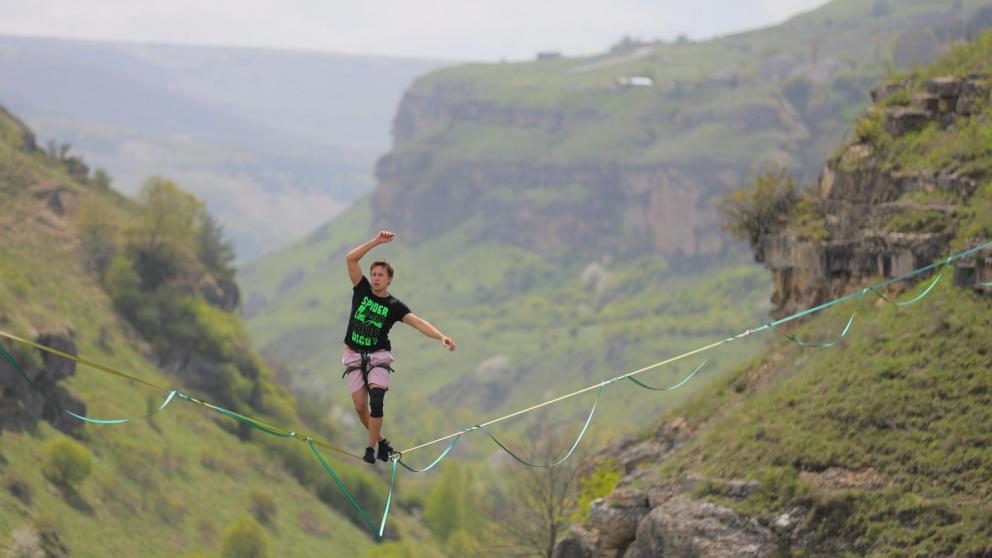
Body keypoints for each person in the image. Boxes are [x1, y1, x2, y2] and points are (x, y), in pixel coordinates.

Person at [343, 230, 456, 464]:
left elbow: (419, 323)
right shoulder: (361, 289)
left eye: (380, 275)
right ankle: (383, 443)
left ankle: (370, 449)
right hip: (353, 355)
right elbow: (351, 259)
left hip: (379, 357)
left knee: (376, 400)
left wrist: (441, 337)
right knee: (360, 408)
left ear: (389, 280)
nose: (375, 278)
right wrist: (375, 242)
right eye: (373, 274)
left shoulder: (394, 306)